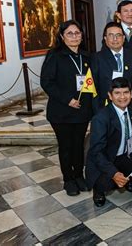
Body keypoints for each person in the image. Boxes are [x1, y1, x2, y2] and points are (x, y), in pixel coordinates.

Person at [41, 20, 92, 196]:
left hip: (82, 111)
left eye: (77, 33)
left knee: (79, 145)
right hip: (61, 111)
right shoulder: (54, 55)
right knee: (66, 146)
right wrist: (68, 100)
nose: (74, 36)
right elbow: (46, 82)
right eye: (70, 33)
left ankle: (79, 176)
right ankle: (68, 179)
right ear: (62, 36)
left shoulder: (86, 56)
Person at [85, 77, 132, 207]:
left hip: (124, 155)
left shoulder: (131, 111)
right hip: (105, 159)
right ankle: (99, 191)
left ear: (131, 94)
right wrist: (114, 173)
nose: (122, 97)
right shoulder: (101, 118)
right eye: (117, 93)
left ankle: (128, 179)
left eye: (125, 92)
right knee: (108, 182)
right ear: (110, 96)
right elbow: (96, 152)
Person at [91, 22, 132, 114]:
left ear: (124, 38)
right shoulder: (97, 58)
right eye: (111, 35)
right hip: (106, 108)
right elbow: (94, 86)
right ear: (105, 38)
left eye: (118, 35)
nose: (115, 39)